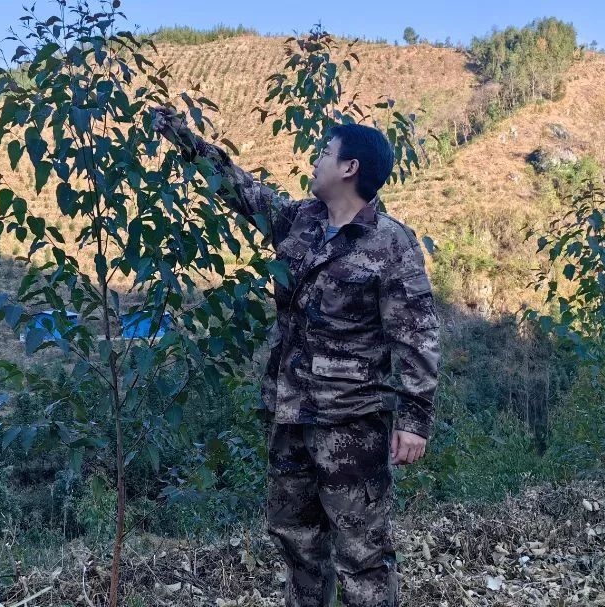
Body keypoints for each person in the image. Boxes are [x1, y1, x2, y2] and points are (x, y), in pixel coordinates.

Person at [152, 107, 440, 607]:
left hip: (353, 422)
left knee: (362, 554)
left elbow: (416, 334)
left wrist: (414, 419)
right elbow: (239, 187)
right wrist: (185, 139)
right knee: (297, 542)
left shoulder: (390, 243)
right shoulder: (298, 221)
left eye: (325, 153)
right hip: (291, 415)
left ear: (349, 167)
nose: (315, 161)